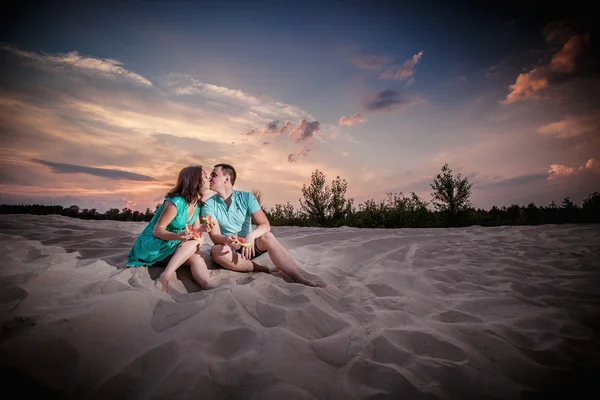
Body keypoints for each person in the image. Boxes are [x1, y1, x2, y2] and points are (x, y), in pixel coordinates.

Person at [202, 163, 325, 287]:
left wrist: (251, 236)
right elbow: (215, 236)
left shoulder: (247, 197)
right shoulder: (209, 204)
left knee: (268, 236)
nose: (210, 178)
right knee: (217, 251)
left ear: (226, 178)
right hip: (228, 249)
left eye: (214, 175)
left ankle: (299, 278)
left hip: (249, 247)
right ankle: (262, 269)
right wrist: (227, 239)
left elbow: (265, 224)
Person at [126, 165, 217, 292]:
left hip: (173, 244)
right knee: (197, 243)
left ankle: (207, 284)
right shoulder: (176, 202)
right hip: (154, 245)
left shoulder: (197, 205)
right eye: (205, 177)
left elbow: (194, 232)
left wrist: (202, 229)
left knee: (196, 253)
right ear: (194, 181)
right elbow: (157, 230)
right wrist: (178, 236)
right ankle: (165, 276)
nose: (209, 179)